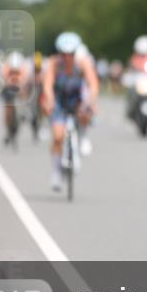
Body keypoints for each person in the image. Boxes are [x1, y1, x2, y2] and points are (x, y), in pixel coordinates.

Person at [42, 32, 98, 191]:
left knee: (88, 110)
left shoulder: (82, 63)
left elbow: (93, 84)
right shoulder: (53, 63)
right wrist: (50, 99)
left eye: (71, 54)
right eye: (63, 54)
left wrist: (90, 101)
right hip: (59, 100)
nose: (67, 58)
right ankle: (55, 172)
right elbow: (47, 85)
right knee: (58, 137)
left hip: (77, 99)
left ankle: (83, 137)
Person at [1, 51, 28, 145]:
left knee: (23, 95)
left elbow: (24, 81)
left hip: (18, 88)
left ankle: (24, 111)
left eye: (16, 70)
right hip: (8, 88)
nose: (15, 71)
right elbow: (4, 79)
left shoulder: (23, 68)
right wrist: (9, 83)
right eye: (13, 70)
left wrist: (21, 86)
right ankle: (8, 129)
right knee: (8, 109)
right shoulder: (6, 67)